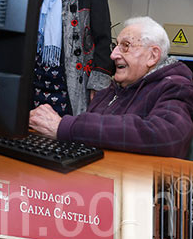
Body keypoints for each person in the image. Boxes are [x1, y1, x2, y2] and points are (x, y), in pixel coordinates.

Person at [29, 16, 193, 157]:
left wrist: (64, 127)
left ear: (153, 55)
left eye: (126, 46)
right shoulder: (111, 89)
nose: (113, 54)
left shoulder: (175, 86)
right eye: (116, 45)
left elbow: (169, 135)